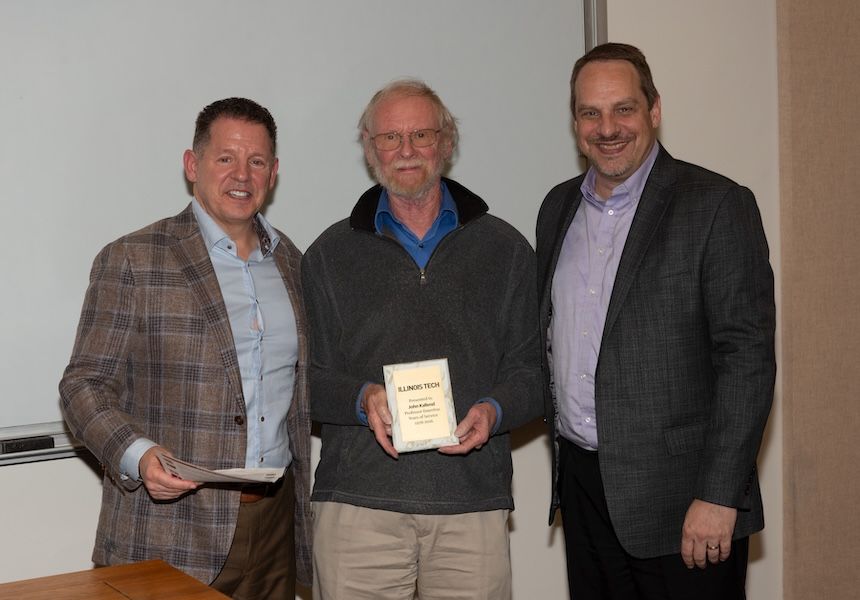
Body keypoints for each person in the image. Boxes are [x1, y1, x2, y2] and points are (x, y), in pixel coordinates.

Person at [536, 43, 776, 599]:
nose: (607, 128)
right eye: (590, 113)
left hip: (685, 503)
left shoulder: (716, 204)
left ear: (655, 110)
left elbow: (747, 360)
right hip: (584, 490)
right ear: (575, 122)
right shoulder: (556, 208)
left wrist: (720, 495)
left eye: (624, 108)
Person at [59, 97, 312, 599]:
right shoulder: (133, 258)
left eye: (256, 161)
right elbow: (82, 386)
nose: (242, 174)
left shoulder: (294, 264)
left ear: (274, 172)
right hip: (169, 527)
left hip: (275, 523)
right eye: (225, 158)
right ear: (192, 164)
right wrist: (140, 454)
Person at [302, 78, 543, 600]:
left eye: (421, 134)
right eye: (390, 138)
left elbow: (534, 374)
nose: (406, 150)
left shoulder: (506, 250)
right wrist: (361, 398)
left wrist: (495, 411)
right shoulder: (328, 255)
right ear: (369, 149)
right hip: (358, 508)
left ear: (447, 142)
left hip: (471, 505)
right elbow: (305, 382)